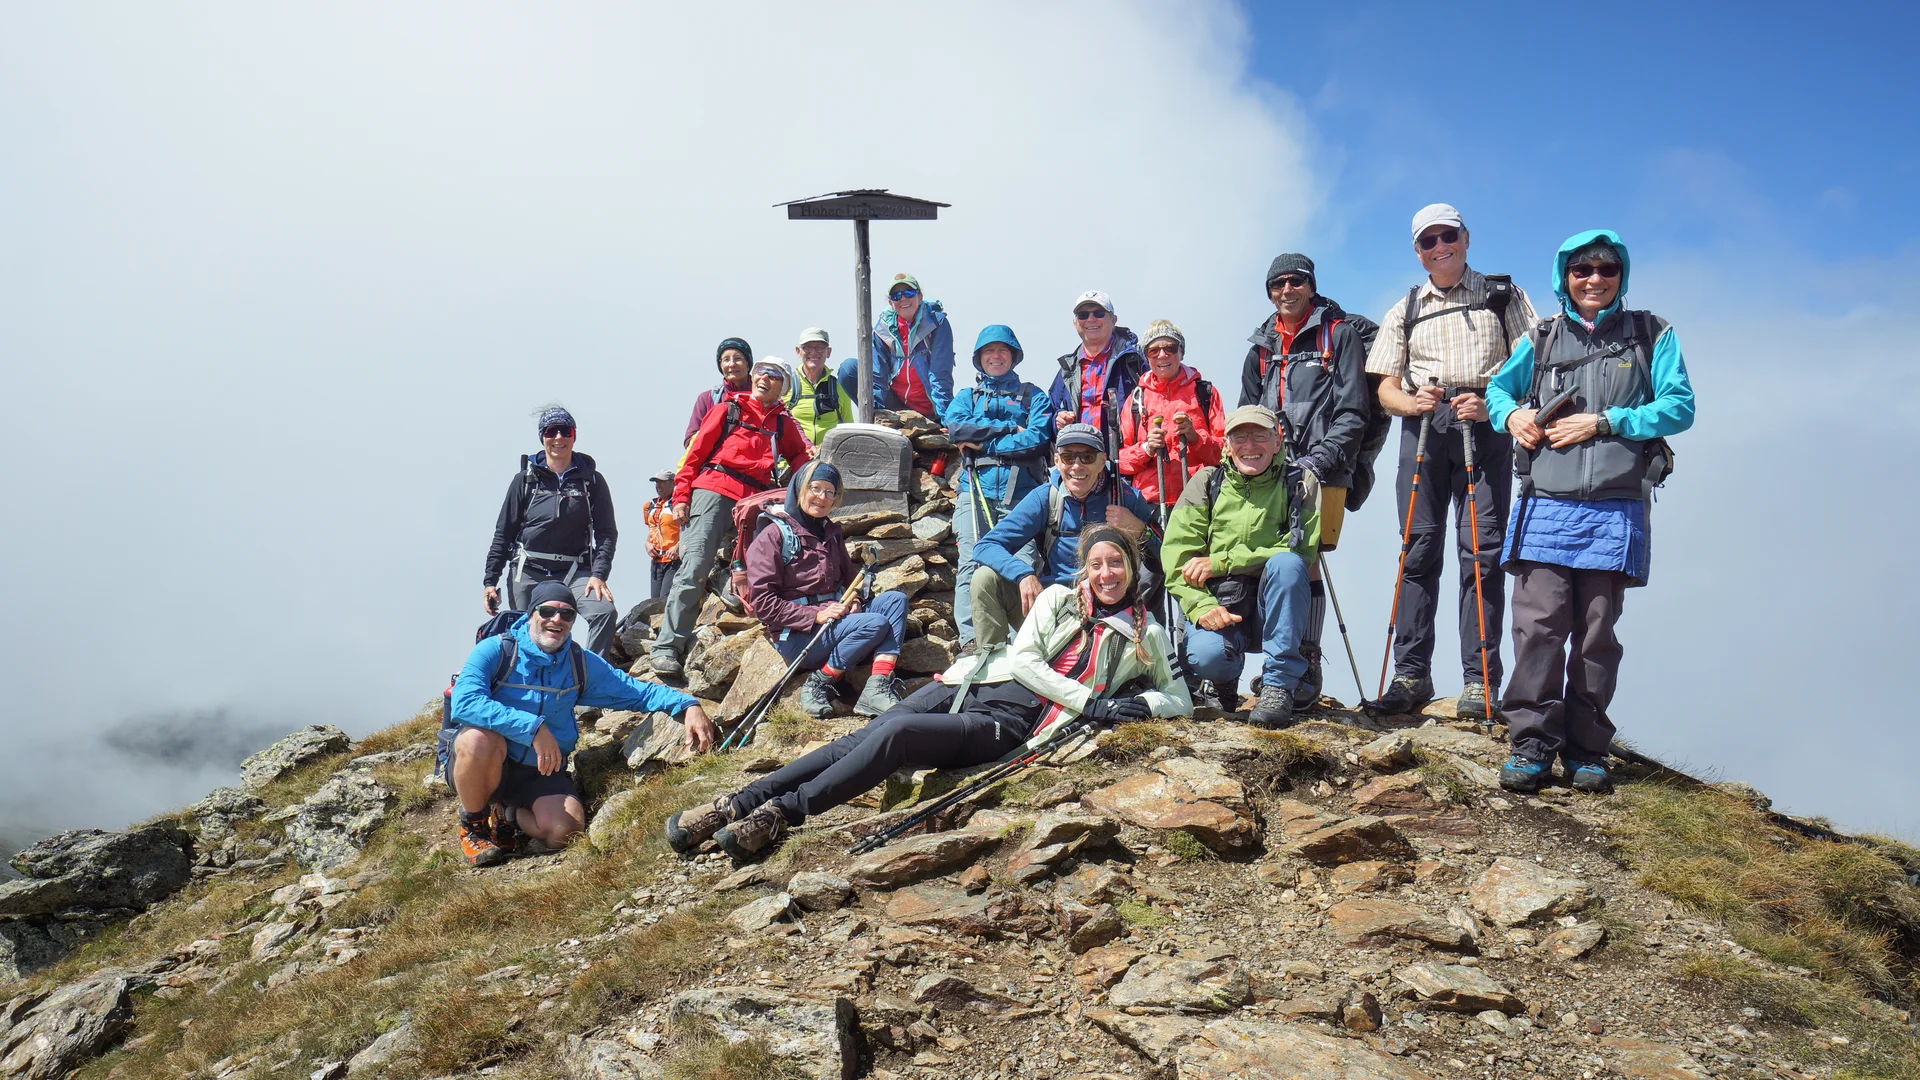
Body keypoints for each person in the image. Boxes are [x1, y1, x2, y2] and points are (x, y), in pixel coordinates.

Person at [666, 525, 1191, 861]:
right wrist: (1092, 704)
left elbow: (1181, 698)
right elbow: (1027, 661)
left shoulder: (1146, 633)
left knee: (897, 730)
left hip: (1010, 724)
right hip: (972, 682)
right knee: (861, 737)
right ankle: (738, 803)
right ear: (1085, 568)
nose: (1106, 574)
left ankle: (784, 813)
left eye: (1116, 563)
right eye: (1097, 564)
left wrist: (1141, 703)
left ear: (1132, 568)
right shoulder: (1058, 597)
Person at [1485, 230, 1695, 794]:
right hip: (1546, 503)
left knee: (1597, 631)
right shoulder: (1542, 335)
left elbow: (1679, 407)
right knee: (1538, 625)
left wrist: (1604, 423)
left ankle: (1586, 748)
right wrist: (1512, 419)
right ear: (1565, 277)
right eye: (1582, 270)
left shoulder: (1651, 334)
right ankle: (1530, 741)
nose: (1594, 279)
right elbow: (1498, 391)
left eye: (1606, 269)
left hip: (1616, 503)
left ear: (1622, 275)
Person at [1365, 203, 1538, 718]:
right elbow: (1385, 387)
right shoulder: (1407, 307)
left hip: (1485, 423)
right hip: (1424, 427)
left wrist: (1493, 405)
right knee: (1417, 551)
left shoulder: (1503, 296)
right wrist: (1410, 402)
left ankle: (1480, 679)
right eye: (1427, 241)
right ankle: (1411, 675)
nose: (1439, 247)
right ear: (1417, 252)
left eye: (1448, 236)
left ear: (1466, 237)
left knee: (1480, 553)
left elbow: (1535, 366)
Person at [448, 581, 717, 866]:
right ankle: (474, 827)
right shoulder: (495, 651)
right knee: (477, 739)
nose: (557, 620)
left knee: (564, 833)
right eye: (547, 610)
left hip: (540, 770)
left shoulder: (579, 662)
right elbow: (465, 703)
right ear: (530, 613)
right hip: (488, 762)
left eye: (567, 614)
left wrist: (688, 704)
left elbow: (636, 692)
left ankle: (505, 814)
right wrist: (533, 728)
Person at [1236, 254, 1376, 707]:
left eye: (1296, 281)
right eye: (1277, 283)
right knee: (1269, 556)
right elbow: (1247, 415)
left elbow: (1354, 410)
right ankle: (1284, 664)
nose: (1286, 289)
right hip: (1272, 468)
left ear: (1311, 287)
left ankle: (1305, 662)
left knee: (1306, 555)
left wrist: (1320, 459)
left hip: (1323, 466)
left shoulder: (1340, 335)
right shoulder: (1261, 348)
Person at [651, 357, 812, 676]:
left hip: (754, 500)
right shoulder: (728, 409)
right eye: (761, 372)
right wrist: (681, 496)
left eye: (774, 375)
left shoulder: (783, 423)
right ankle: (667, 647)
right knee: (695, 564)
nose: (763, 377)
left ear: (783, 388)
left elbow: (801, 456)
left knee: (759, 575)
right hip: (714, 488)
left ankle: (725, 584)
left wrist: (811, 471)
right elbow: (694, 456)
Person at [1162, 405, 1316, 729]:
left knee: (1288, 564)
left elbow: (1300, 549)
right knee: (1207, 657)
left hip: (1269, 609)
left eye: (1260, 435)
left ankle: (1278, 687)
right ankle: (1223, 684)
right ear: (1226, 445)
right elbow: (1178, 556)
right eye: (1240, 437)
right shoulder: (1206, 482)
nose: (1250, 445)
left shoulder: (1299, 482)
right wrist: (1201, 605)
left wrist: (1222, 562)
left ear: (1277, 441)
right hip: (1221, 604)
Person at [968, 424, 1159, 649]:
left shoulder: (1127, 498)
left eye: (1087, 457)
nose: (1077, 466)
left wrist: (1139, 530)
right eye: (1068, 457)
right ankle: (993, 665)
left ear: (1102, 461)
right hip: (1053, 607)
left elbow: (1163, 562)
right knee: (985, 578)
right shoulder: (1045, 498)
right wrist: (1023, 574)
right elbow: (986, 546)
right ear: (1057, 461)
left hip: (1109, 610)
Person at [746, 461, 910, 718]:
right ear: (800, 488)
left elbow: (849, 580)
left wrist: (854, 597)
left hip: (838, 619)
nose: (822, 498)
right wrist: (814, 615)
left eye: (829, 492)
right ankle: (817, 684)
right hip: (798, 635)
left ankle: (877, 687)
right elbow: (763, 604)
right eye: (815, 488)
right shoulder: (773, 536)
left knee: (895, 600)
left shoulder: (831, 533)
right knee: (874, 623)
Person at [942, 324, 1054, 651]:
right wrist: (1007, 427)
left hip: (1022, 498)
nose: (996, 356)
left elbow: (1037, 438)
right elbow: (956, 428)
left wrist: (986, 446)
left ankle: (1025, 646)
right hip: (975, 493)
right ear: (979, 358)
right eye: (989, 351)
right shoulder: (966, 397)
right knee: (970, 565)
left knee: (1024, 565)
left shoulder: (1035, 396)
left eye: (1002, 350)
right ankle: (972, 642)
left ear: (1013, 356)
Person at [482, 406, 619, 656]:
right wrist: (490, 580)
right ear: (542, 437)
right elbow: (504, 532)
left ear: (574, 435)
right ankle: (529, 687)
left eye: (564, 431)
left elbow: (607, 533)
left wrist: (598, 575)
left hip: (575, 571)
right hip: (529, 571)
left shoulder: (592, 481)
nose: (558, 438)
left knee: (604, 612)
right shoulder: (525, 480)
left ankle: (591, 678)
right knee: (527, 633)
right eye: (551, 431)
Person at [1117, 319, 1224, 508]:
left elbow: (1224, 452)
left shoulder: (1205, 393)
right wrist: (1147, 448)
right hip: (1149, 504)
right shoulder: (1136, 399)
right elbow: (1121, 461)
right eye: (1154, 351)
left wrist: (1194, 437)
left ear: (1181, 352)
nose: (1162, 355)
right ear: (1146, 357)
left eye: (1170, 348)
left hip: (1199, 498)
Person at [835, 273, 955, 419]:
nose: (903, 299)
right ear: (890, 302)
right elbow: (876, 375)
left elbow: (940, 374)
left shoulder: (936, 323)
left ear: (920, 296)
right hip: (896, 406)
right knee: (849, 369)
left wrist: (945, 419)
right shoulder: (884, 329)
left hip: (930, 410)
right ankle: (876, 418)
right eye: (896, 296)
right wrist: (876, 417)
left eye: (909, 293)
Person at [1049, 290, 1145, 441]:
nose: (1091, 319)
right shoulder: (1067, 369)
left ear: (1114, 320)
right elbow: (1050, 411)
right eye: (1083, 315)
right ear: (1075, 323)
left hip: (1125, 457)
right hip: (1080, 459)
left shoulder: (1134, 360)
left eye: (1099, 313)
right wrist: (1058, 420)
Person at [788, 327, 856, 446]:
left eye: (820, 348)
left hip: (828, 459)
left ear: (828, 352)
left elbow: (849, 429)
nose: (814, 352)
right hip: (793, 460)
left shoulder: (838, 388)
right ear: (798, 351)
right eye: (808, 347)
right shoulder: (787, 386)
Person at [685, 337, 755, 446]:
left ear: (747, 362)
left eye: (737, 358)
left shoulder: (762, 396)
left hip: (755, 461)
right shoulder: (708, 398)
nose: (732, 364)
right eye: (726, 360)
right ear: (721, 365)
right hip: (717, 461)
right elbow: (690, 440)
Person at [643, 468, 681, 600]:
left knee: (665, 600)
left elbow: (691, 529)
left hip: (674, 560)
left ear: (673, 483)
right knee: (654, 602)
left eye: (662, 482)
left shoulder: (680, 505)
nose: (658, 486)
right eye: (656, 483)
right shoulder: (650, 506)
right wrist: (647, 544)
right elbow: (652, 529)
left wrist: (677, 547)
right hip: (656, 561)